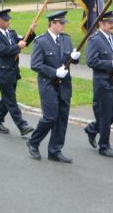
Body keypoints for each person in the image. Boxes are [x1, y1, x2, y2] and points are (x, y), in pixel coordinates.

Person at [26, 11, 81, 163]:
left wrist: (75, 58)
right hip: (48, 84)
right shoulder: (41, 41)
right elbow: (35, 64)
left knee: (62, 118)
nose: (63, 25)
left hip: (64, 85)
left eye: (64, 23)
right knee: (50, 117)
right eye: (61, 23)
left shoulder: (66, 39)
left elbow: (69, 59)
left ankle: (55, 150)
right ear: (52, 23)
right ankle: (33, 142)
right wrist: (54, 72)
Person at [84, 10, 113, 158]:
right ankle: (104, 146)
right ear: (101, 24)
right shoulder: (95, 40)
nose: (112, 25)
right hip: (103, 82)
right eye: (109, 23)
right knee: (106, 114)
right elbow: (91, 61)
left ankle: (93, 128)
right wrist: (111, 63)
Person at [0, 9, 36, 136]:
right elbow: (3, 51)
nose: (8, 22)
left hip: (13, 72)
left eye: (8, 20)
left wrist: (30, 31)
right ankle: (22, 125)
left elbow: (24, 41)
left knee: (6, 99)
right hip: (3, 73)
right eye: (5, 20)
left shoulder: (12, 33)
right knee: (11, 100)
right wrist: (17, 47)